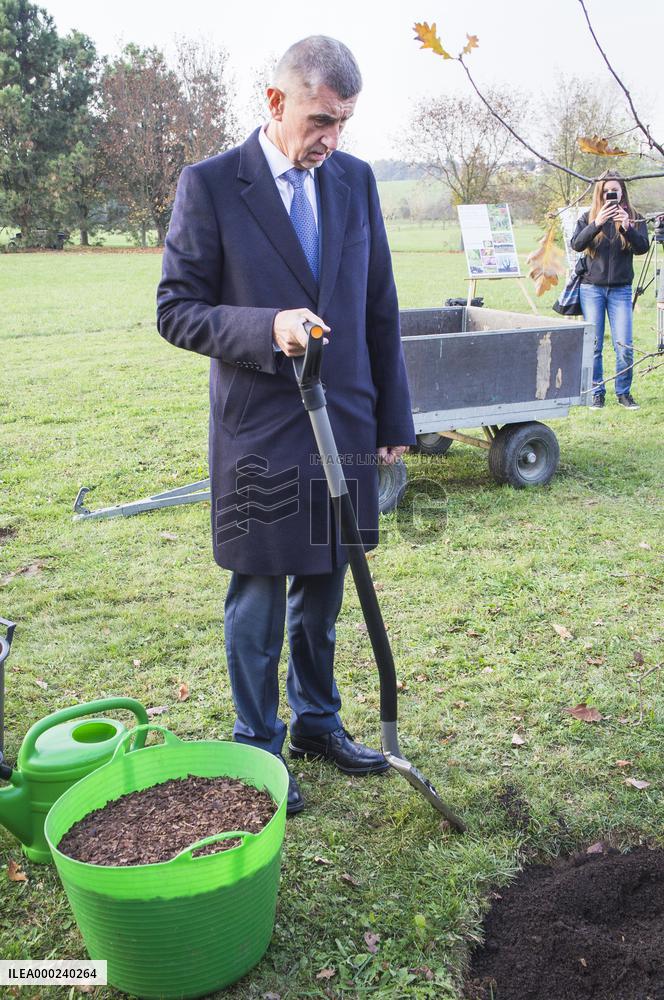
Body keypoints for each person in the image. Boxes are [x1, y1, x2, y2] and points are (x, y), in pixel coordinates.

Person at [156, 36, 415, 815]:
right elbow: (177, 311)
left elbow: (379, 305)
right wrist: (270, 327)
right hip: (261, 427)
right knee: (261, 593)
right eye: (320, 119)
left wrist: (392, 416)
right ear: (276, 103)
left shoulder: (355, 182)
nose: (331, 138)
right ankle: (257, 743)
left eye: (343, 123)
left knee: (326, 583)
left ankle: (318, 723)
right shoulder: (210, 186)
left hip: (347, 419)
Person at [571, 170, 649, 410]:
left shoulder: (634, 217)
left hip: (621, 290)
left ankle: (623, 393)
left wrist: (627, 227)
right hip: (592, 289)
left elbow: (642, 248)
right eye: (607, 191)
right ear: (600, 193)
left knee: (624, 344)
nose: (611, 195)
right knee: (594, 345)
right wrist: (597, 223)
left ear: (623, 191)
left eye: (615, 190)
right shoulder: (588, 217)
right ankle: (597, 392)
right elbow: (577, 244)